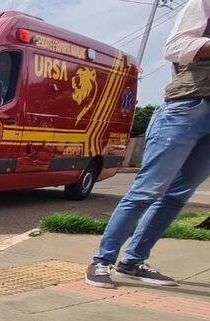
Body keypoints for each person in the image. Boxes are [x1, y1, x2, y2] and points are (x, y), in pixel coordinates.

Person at [86, 0, 210, 289]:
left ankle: (132, 262)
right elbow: (175, 48)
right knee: (146, 191)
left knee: (178, 195)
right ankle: (101, 261)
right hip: (187, 107)